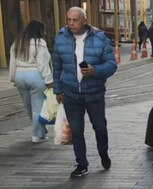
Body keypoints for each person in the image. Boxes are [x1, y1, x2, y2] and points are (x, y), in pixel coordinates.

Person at [53, 7, 118, 178]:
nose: (71, 23)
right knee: (76, 130)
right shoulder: (61, 39)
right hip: (71, 93)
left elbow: (112, 65)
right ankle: (82, 164)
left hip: (94, 93)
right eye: (69, 20)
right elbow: (57, 66)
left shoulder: (99, 38)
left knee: (100, 128)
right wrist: (58, 89)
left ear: (84, 21)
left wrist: (95, 70)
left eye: (75, 20)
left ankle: (103, 154)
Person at [10, 20, 53, 143]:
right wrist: (49, 80)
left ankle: (41, 131)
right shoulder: (39, 43)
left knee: (29, 107)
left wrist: (13, 78)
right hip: (35, 75)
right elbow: (43, 64)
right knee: (37, 107)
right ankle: (37, 135)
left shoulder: (17, 43)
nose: (44, 32)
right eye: (43, 30)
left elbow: (12, 63)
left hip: (19, 75)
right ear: (38, 31)